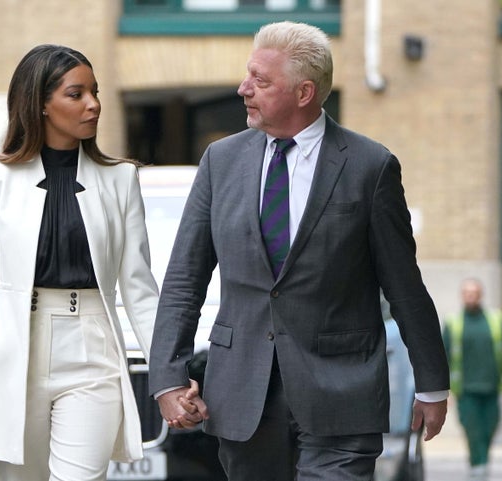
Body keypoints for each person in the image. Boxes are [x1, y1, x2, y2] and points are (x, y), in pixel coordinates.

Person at [148, 21, 450, 481]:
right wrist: (169, 376)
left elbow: (405, 285)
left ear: (304, 92)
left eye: (261, 81)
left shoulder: (370, 166)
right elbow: (184, 279)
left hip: (342, 393)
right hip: (243, 393)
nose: (243, 88)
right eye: (248, 75)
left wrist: (431, 383)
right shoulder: (221, 161)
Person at [0, 44, 161, 481]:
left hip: (94, 347)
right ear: (40, 105)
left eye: (95, 92)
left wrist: (167, 374)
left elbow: (140, 291)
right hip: (14, 350)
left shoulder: (121, 179)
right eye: (76, 94)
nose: (93, 104)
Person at [443, 278, 502, 481]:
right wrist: (442, 391)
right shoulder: (454, 324)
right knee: (473, 430)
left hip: (492, 387)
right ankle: (478, 468)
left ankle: (481, 462)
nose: (470, 296)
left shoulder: (495, 320)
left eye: (474, 292)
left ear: (480, 295)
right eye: (467, 292)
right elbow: (443, 358)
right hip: (466, 390)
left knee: (490, 427)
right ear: (462, 296)